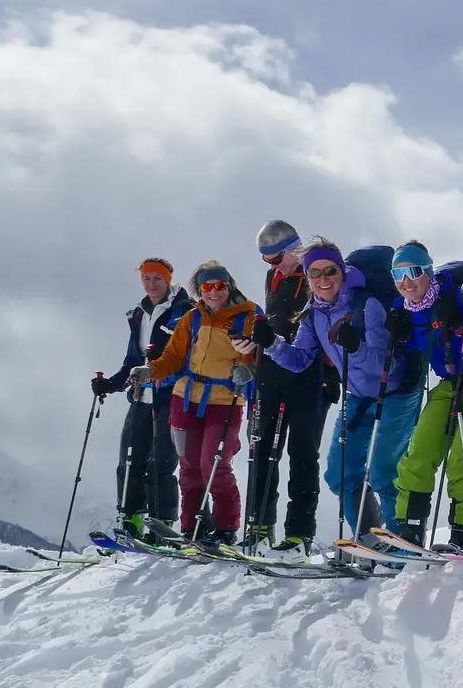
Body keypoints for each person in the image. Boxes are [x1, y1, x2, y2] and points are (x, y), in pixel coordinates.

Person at [246, 238, 414, 540]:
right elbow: (300, 360)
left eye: (330, 271)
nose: (323, 280)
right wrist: (271, 343)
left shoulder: (367, 305)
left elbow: (388, 366)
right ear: (308, 277)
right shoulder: (314, 312)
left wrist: (355, 346)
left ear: (343, 271)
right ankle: (370, 541)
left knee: (384, 473)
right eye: (315, 273)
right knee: (339, 473)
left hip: (397, 394)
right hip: (359, 396)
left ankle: (403, 542)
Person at [385, 242, 463, 550]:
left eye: (412, 271)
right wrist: (401, 337)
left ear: (427, 271)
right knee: (420, 449)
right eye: (397, 274)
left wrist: (457, 325)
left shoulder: (458, 295)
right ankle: (409, 529)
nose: (405, 282)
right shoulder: (406, 309)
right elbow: (421, 346)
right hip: (452, 379)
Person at [135, 261, 262, 546]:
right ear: (200, 290)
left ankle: (227, 529)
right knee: (189, 466)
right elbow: (172, 358)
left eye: (219, 286)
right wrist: (149, 371)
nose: (214, 293)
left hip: (225, 400)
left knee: (214, 465)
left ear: (229, 286)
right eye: (207, 287)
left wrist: (249, 370)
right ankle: (192, 527)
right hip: (185, 397)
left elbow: (258, 357)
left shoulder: (248, 316)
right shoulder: (192, 319)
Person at [242, 220, 334, 554]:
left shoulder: (315, 275)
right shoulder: (275, 276)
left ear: (295, 246)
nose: (272, 264)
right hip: (272, 369)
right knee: (262, 449)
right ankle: (259, 525)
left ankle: (299, 533)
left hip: (309, 375)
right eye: (266, 259)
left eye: (276, 256)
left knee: (302, 453)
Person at [94, 258, 193, 542]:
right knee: (130, 459)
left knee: (161, 462)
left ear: (168, 280)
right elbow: (132, 361)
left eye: (157, 279)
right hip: (139, 396)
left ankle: (161, 525)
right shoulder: (139, 314)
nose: (151, 284)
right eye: (146, 278)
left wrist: (163, 377)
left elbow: (186, 359)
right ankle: (130, 520)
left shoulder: (183, 311)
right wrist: (109, 384)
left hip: (168, 396)